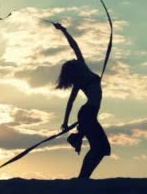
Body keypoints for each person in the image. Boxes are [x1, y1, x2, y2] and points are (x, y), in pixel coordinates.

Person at [54, 22, 111, 179]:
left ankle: (83, 177)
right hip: (87, 115)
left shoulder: (81, 78)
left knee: (100, 148)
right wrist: (65, 122)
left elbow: (71, 103)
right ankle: (83, 178)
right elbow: (75, 46)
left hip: (88, 115)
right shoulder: (83, 74)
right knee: (100, 148)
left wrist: (64, 31)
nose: (77, 60)